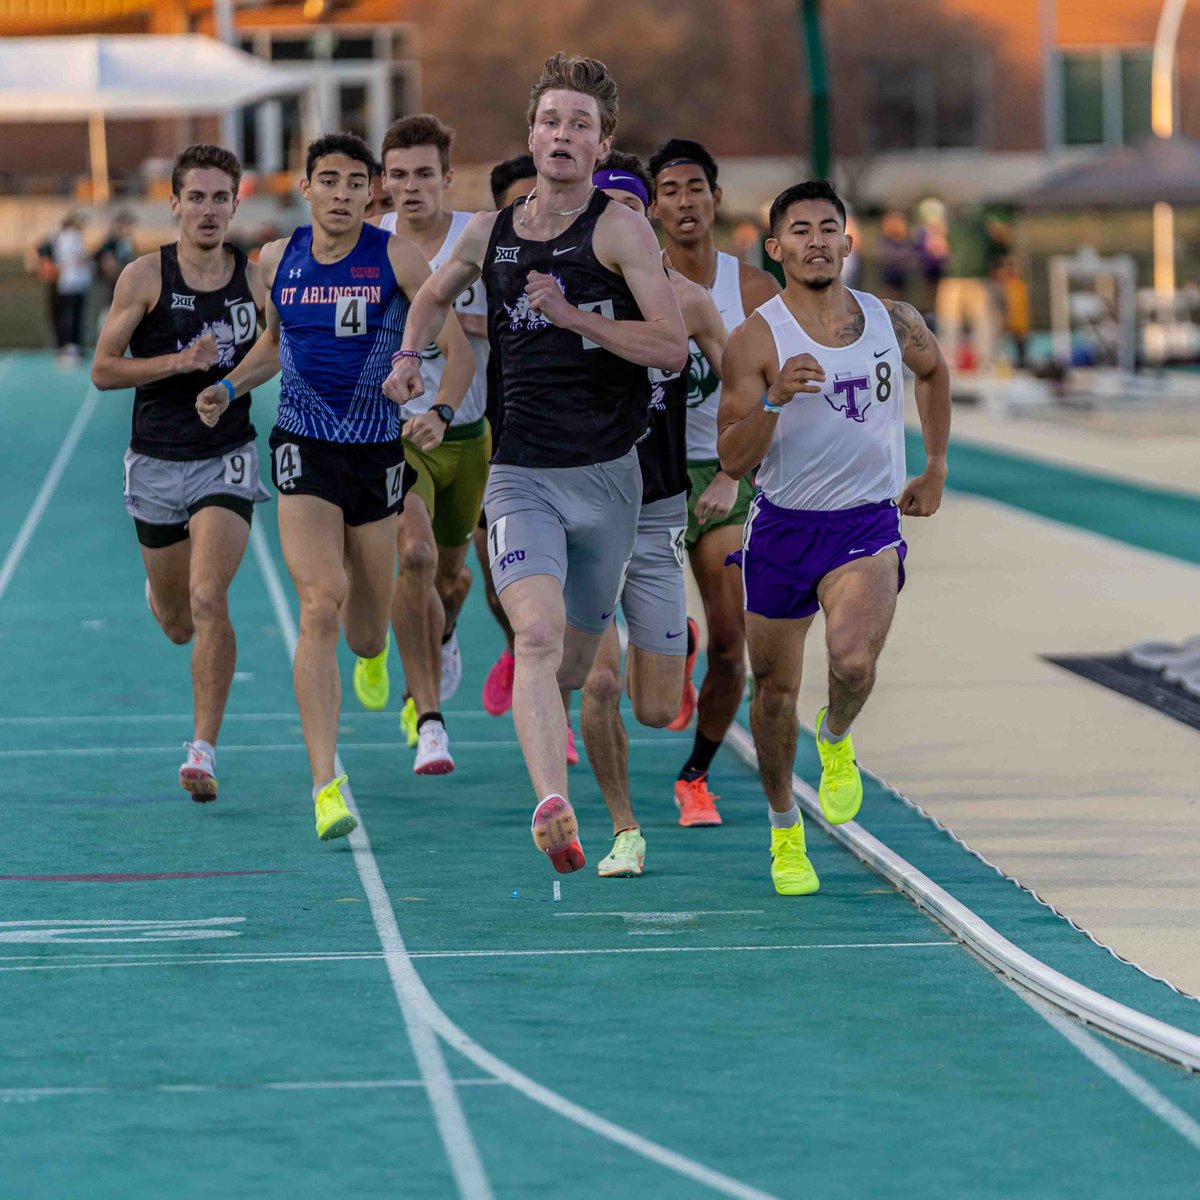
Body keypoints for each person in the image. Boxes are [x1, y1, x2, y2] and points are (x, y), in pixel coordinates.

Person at [387, 53, 688, 872]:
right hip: (520, 474)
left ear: (602, 145)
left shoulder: (622, 230)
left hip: (610, 481)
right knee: (536, 631)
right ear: (531, 134)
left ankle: (568, 751)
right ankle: (552, 804)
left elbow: (671, 348)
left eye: (580, 125)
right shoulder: (490, 233)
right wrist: (411, 354)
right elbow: (432, 294)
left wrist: (572, 318)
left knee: (583, 662)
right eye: (551, 121)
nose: (563, 135)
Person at [195, 132, 473, 842]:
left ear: (370, 191)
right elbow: (273, 344)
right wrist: (229, 387)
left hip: (377, 454)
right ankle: (326, 781)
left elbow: (454, 343)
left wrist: (427, 388)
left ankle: (384, 660)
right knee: (319, 602)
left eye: (356, 183)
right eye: (330, 181)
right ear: (307, 187)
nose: (343, 194)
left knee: (367, 635)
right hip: (304, 449)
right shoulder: (275, 259)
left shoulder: (395, 258)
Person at [716, 180, 950, 896]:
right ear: (776, 246)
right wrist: (773, 398)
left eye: (829, 228)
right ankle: (786, 828)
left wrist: (936, 464)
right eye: (801, 230)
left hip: (867, 522)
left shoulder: (891, 319)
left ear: (849, 242)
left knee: (852, 664)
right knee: (773, 694)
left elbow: (934, 373)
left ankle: (838, 736)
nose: (816, 241)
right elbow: (731, 456)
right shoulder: (757, 338)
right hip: (784, 530)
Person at [91, 144, 268, 802]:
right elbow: (103, 370)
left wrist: (229, 381)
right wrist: (177, 363)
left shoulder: (253, 278)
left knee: (207, 598)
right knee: (175, 619)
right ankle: (160, 597)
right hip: (156, 461)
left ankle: (203, 747)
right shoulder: (143, 277)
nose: (209, 209)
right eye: (196, 197)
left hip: (226, 455)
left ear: (235, 204)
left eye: (221, 197)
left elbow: (278, 345)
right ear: (173, 204)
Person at [580, 152, 728, 877]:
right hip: (581, 506)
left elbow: (745, 386)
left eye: (629, 207)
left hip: (659, 510)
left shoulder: (689, 300)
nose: (618, 220)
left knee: (653, 707)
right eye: (603, 206)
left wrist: (733, 469)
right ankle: (624, 829)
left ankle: (680, 643)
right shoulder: (559, 300)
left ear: (649, 216)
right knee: (598, 683)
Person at [350, 114, 492, 775]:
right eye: (397, 175)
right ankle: (430, 720)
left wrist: (454, 317)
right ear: (384, 181)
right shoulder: (367, 243)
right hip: (396, 432)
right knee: (413, 555)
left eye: (423, 174)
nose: (410, 187)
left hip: (469, 433)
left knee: (447, 576)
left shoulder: (481, 238)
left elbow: (518, 320)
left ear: (447, 177)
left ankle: (438, 630)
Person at [648, 137, 780, 826]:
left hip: (725, 477)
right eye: (669, 190)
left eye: (695, 187)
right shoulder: (634, 282)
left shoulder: (753, 289)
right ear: (652, 207)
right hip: (653, 478)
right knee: (660, 659)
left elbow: (771, 387)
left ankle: (695, 775)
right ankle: (677, 641)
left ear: (716, 197)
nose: (684, 201)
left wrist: (738, 468)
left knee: (735, 645)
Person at [477, 154, 536, 720]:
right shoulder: (481, 253)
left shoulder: (573, 256)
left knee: (558, 599)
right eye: (517, 202)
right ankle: (515, 649)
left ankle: (553, 707)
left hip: (558, 443)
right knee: (499, 587)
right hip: (488, 434)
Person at [53, 212, 92, 363]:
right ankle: (72, 346)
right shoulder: (74, 236)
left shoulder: (60, 237)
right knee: (75, 315)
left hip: (66, 281)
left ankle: (67, 345)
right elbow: (80, 257)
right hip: (76, 281)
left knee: (68, 315)